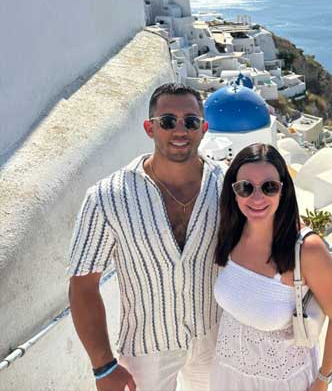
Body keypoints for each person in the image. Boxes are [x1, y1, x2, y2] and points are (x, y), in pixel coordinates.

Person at [68, 83, 224, 391]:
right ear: (149, 127)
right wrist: (103, 366)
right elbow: (82, 284)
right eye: (167, 121)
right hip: (146, 347)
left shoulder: (229, 186)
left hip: (214, 338)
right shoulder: (107, 197)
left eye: (190, 121)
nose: (180, 130)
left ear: (203, 128)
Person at [211, 143, 332, 391]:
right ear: (233, 191)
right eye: (245, 188)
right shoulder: (230, 233)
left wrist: (323, 379)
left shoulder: (308, 250)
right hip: (228, 373)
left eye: (269, 187)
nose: (257, 197)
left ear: (283, 191)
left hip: (283, 383)